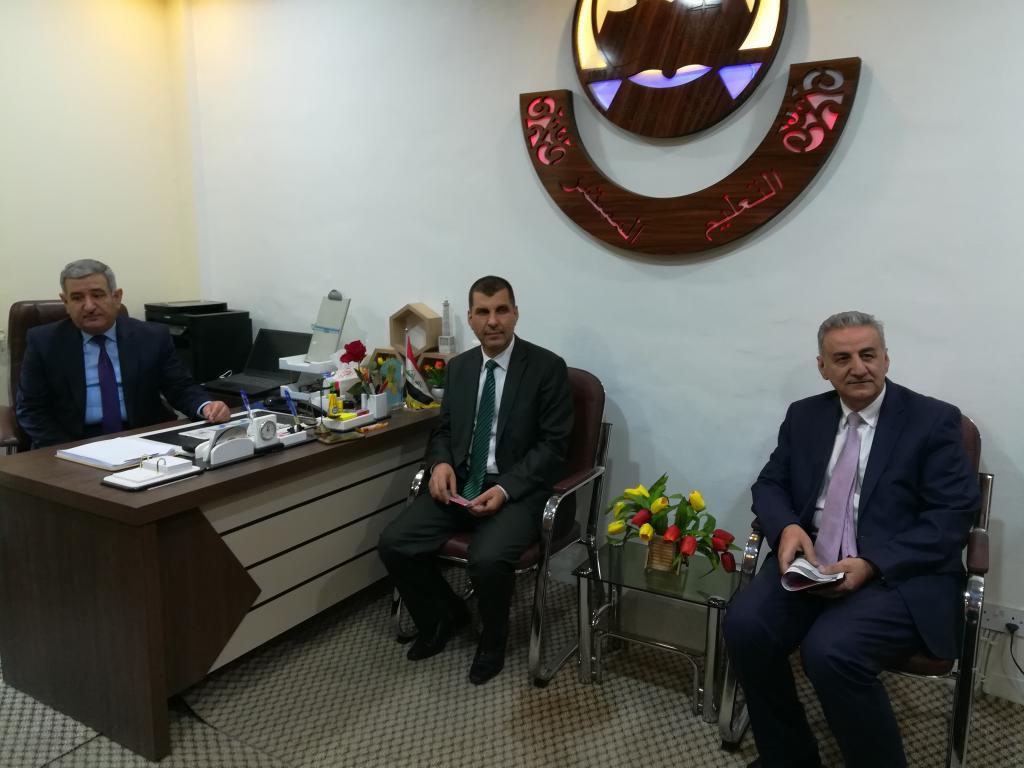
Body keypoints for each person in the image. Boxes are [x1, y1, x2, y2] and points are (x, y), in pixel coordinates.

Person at [723, 311, 980, 768]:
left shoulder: (934, 420)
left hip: (896, 574)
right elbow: (771, 483)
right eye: (842, 358)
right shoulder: (804, 415)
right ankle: (788, 757)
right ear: (823, 366)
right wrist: (787, 527)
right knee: (745, 625)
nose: (858, 368)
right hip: (814, 560)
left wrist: (872, 563)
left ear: (886, 358)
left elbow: (952, 517)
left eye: (868, 355)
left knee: (831, 651)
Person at [378, 275, 573, 684]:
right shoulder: (460, 368)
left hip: (518, 489)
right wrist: (440, 464)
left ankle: (493, 640)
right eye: (483, 312)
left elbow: (554, 447)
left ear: (515, 313)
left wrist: (504, 488)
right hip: (463, 484)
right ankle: (443, 616)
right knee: (395, 543)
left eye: (501, 310)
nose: (493, 321)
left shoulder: (546, 368)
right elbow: (444, 430)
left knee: (486, 559)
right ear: (470, 318)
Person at [16, 259, 231, 449]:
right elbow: (31, 409)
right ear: (66, 303)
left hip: (143, 438)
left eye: (97, 295)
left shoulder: (152, 337)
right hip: (72, 442)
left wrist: (206, 407)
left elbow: (180, 387)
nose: (89, 306)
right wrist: (67, 450)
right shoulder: (44, 342)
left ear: (116, 297)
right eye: (77, 298)